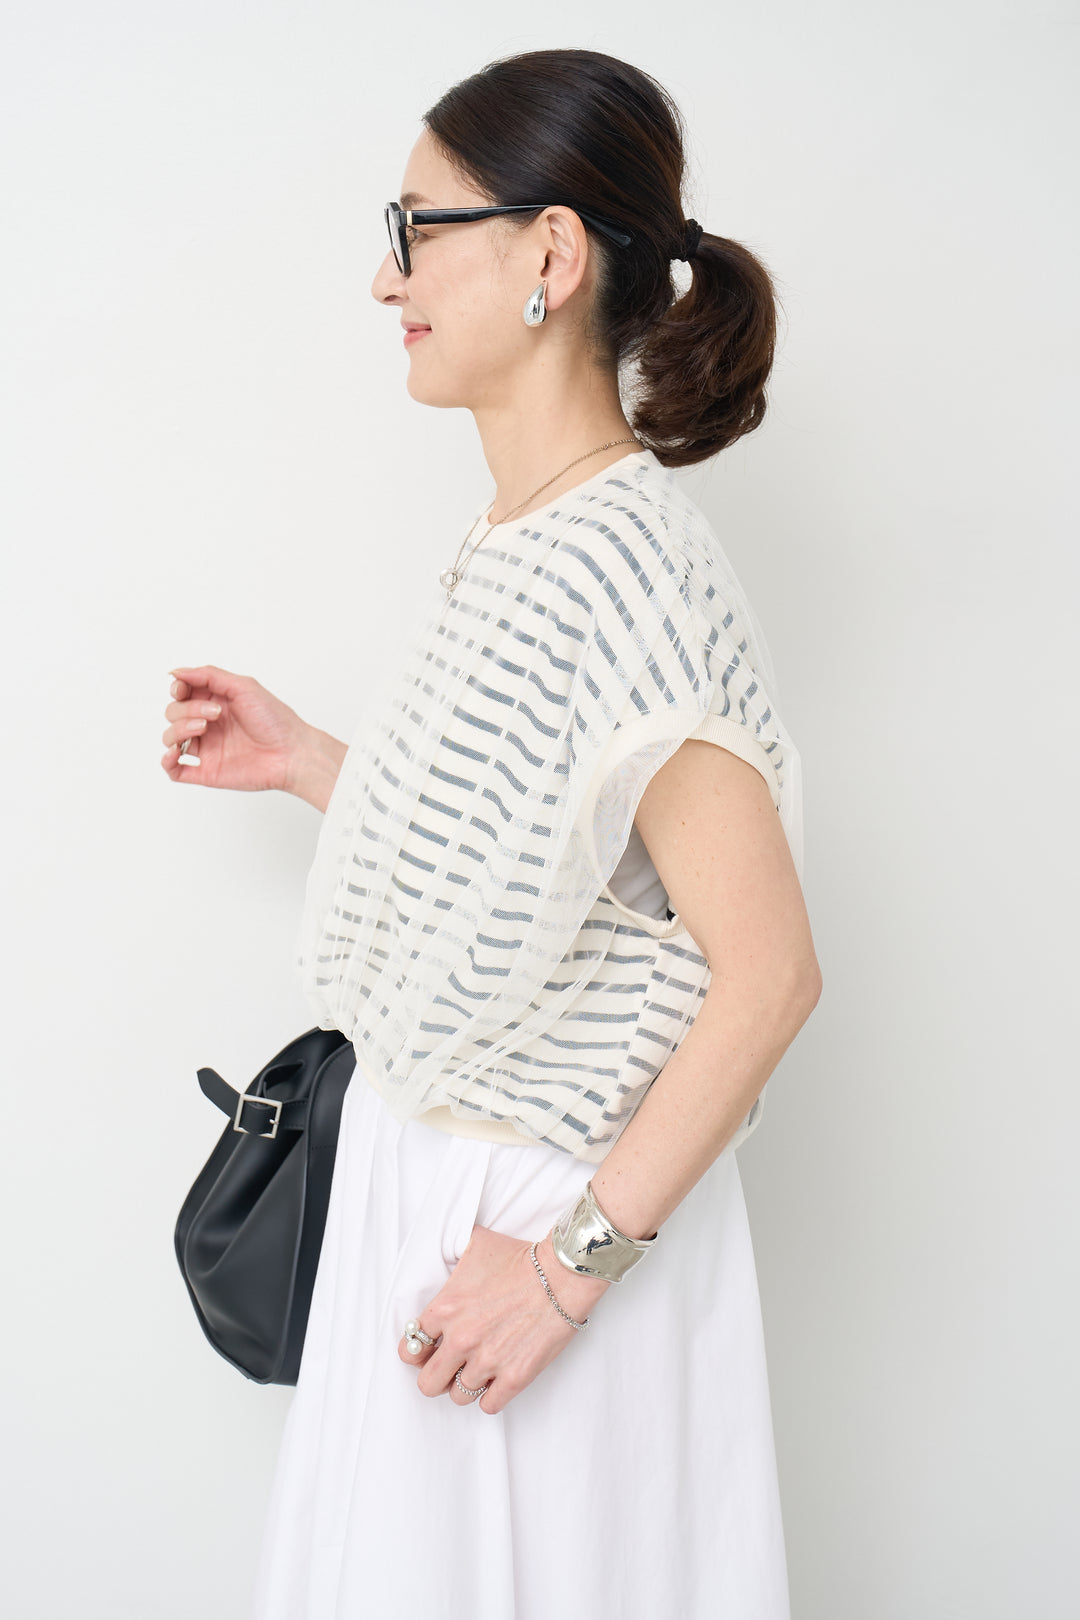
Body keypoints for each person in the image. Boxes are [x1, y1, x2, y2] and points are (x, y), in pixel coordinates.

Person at [162, 46, 821, 1620]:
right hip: (444, 1209)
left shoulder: (632, 573)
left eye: (417, 228)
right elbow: (539, 856)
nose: (384, 277)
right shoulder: (529, 534)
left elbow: (771, 977)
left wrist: (562, 1272)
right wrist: (312, 761)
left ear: (550, 253)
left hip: (528, 1241)